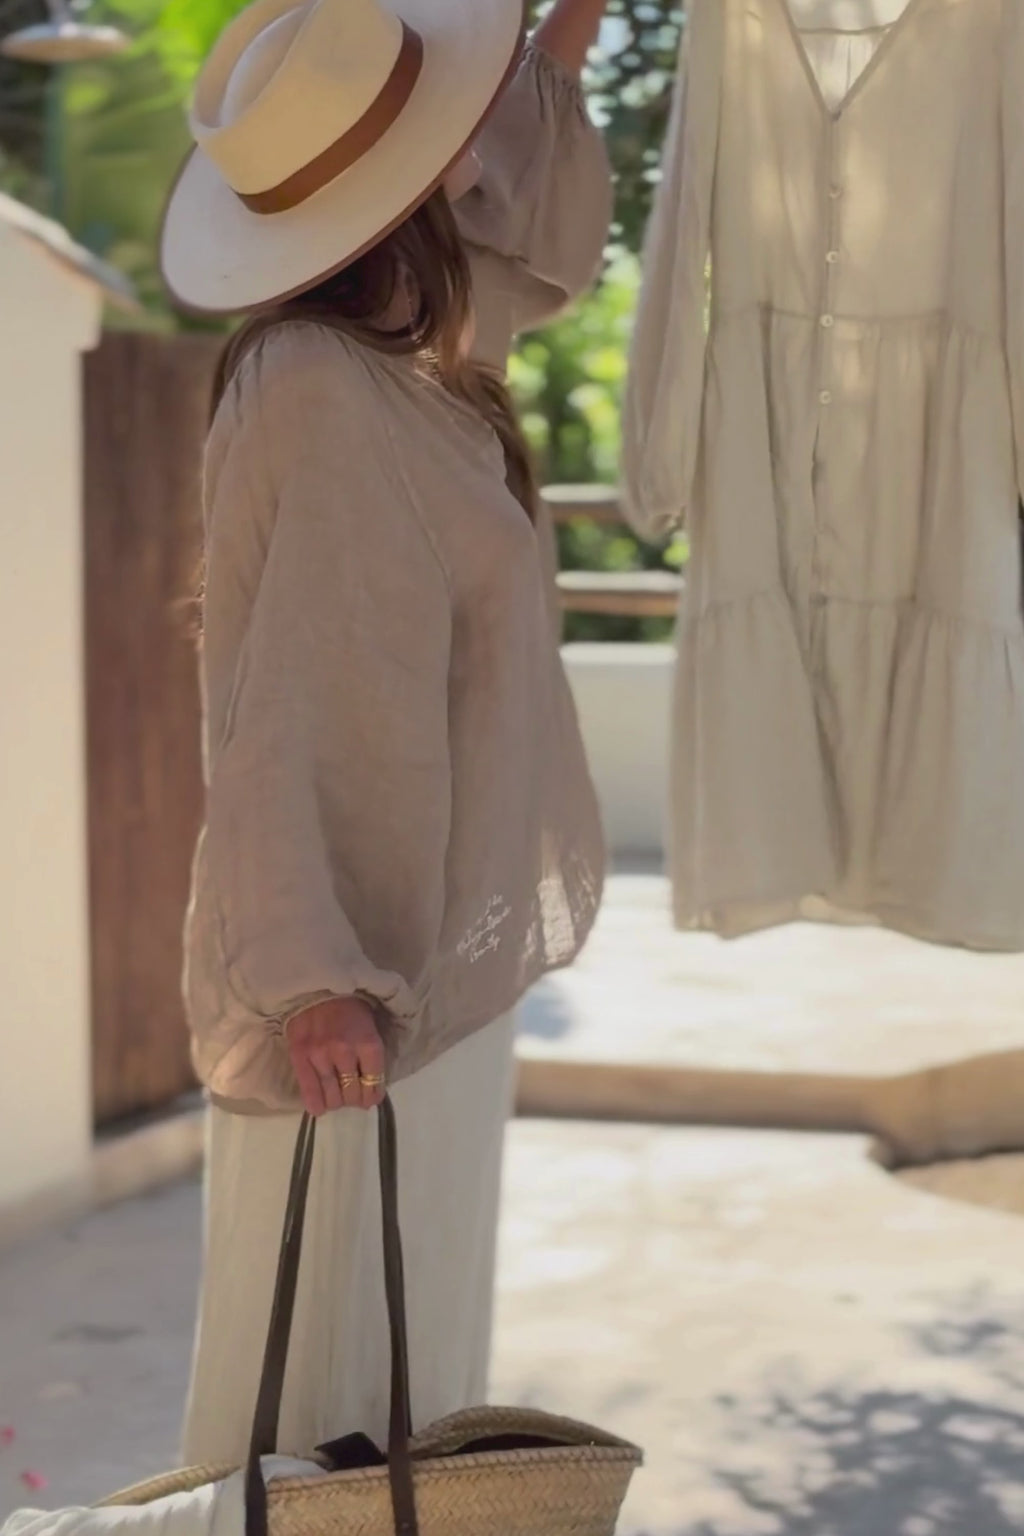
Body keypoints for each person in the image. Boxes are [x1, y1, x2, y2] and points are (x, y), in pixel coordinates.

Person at [161, 0, 612, 1468]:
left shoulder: (407, 368)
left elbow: (531, 222)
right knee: (327, 1418)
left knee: (398, 1404)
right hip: (350, 998)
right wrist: (314, 980)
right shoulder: (313, 387)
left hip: (420, 974)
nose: (476, 161)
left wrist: (561, 38)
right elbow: (279, 709)